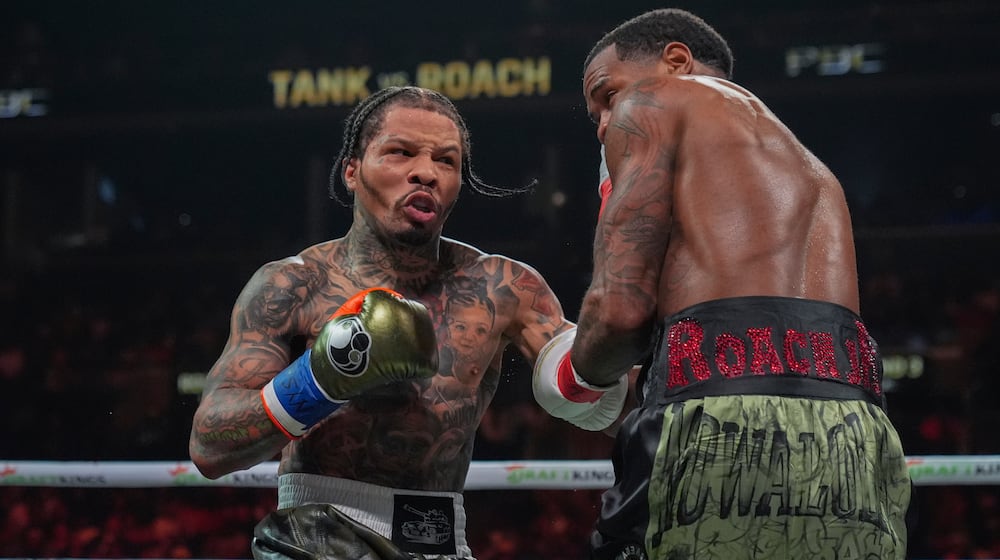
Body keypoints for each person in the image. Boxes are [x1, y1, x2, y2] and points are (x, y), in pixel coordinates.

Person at [531, 8, 911, 560]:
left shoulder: (654, 104)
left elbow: (620, 311)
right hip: (858, 436)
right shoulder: (817, 174)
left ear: (676, 61)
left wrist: (575, 379)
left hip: (720, 426)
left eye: (606, 95)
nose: (603, 122)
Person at [188, 86, 626, 560]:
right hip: (313, 539)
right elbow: (210, 445)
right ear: (351, 171)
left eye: (446, 161)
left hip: (442, 540)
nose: (426, 172)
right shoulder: (293, 285)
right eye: (400, 152)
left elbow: (608, 400)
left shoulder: (504, 287)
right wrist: (319, 379)